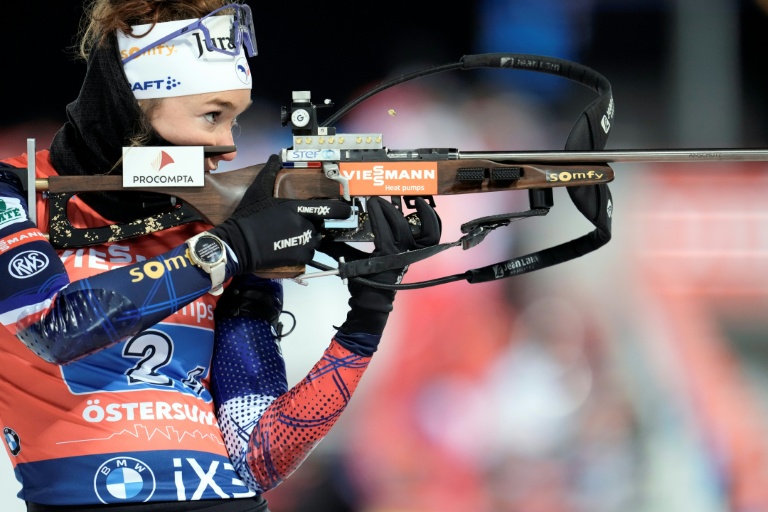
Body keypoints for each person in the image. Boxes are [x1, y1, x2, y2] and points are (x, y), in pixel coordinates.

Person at [0, 1, 441, 511]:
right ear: (129, 106)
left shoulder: (216, 218)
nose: (229, 147)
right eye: (212, 115)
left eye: (235, 120)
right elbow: (54, 327)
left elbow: (259, 455)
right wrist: (227, 249)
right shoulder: (14, 191)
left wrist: (367, 317)